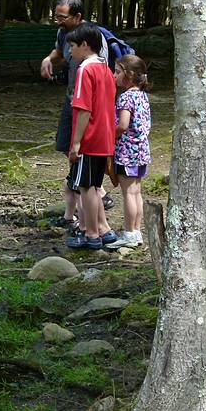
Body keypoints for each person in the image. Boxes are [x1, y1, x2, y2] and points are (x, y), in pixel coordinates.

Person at [40, 0, 132, 231]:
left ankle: (92, 226)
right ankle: (88, 215)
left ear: (77, 17)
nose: (58, 21)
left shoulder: (93, 41)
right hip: (73, 101)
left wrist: (81, 138)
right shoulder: (64, 34)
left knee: (84, 163)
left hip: (89, 108)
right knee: (67, 148)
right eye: (56, 16)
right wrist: (49, 59)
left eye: (62, 17)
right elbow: (59, 53)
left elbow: (104, 74)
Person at [62, 22, 121, 249]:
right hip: (105, 137)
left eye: (73, 46)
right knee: (94, 186)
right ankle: (103, 232)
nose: (70, 52)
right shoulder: (106, 69)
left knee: (85, 187)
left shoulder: (85, 69)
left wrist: (76, 142)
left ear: (85, 45)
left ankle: (92, 235)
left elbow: (84, 108)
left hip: (90, 138)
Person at [107, 55, 152, 249]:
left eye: (117, 72)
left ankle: (128, 232)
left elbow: (123, 125)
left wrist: (111, 134)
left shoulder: (125, 97)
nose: (114, 76)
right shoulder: (142, 96)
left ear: (129, 74)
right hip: (142, 151)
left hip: (126, 152)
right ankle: (136, 231)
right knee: (136, 192)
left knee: (128, 194)